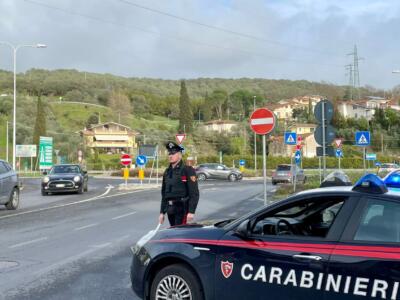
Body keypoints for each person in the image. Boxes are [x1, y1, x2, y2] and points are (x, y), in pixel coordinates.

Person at [159, 141, 199, 226]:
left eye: (173, 153)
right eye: (169, 153)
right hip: (170, 209)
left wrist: (191, 211)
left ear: (180, 155)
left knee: (181, 235)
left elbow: (194, 193)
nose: (170, 156)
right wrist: (162, 212)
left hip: (182, 209)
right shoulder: (167, 172)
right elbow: (164, 194)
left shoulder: (187, 170)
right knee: (173, 234)